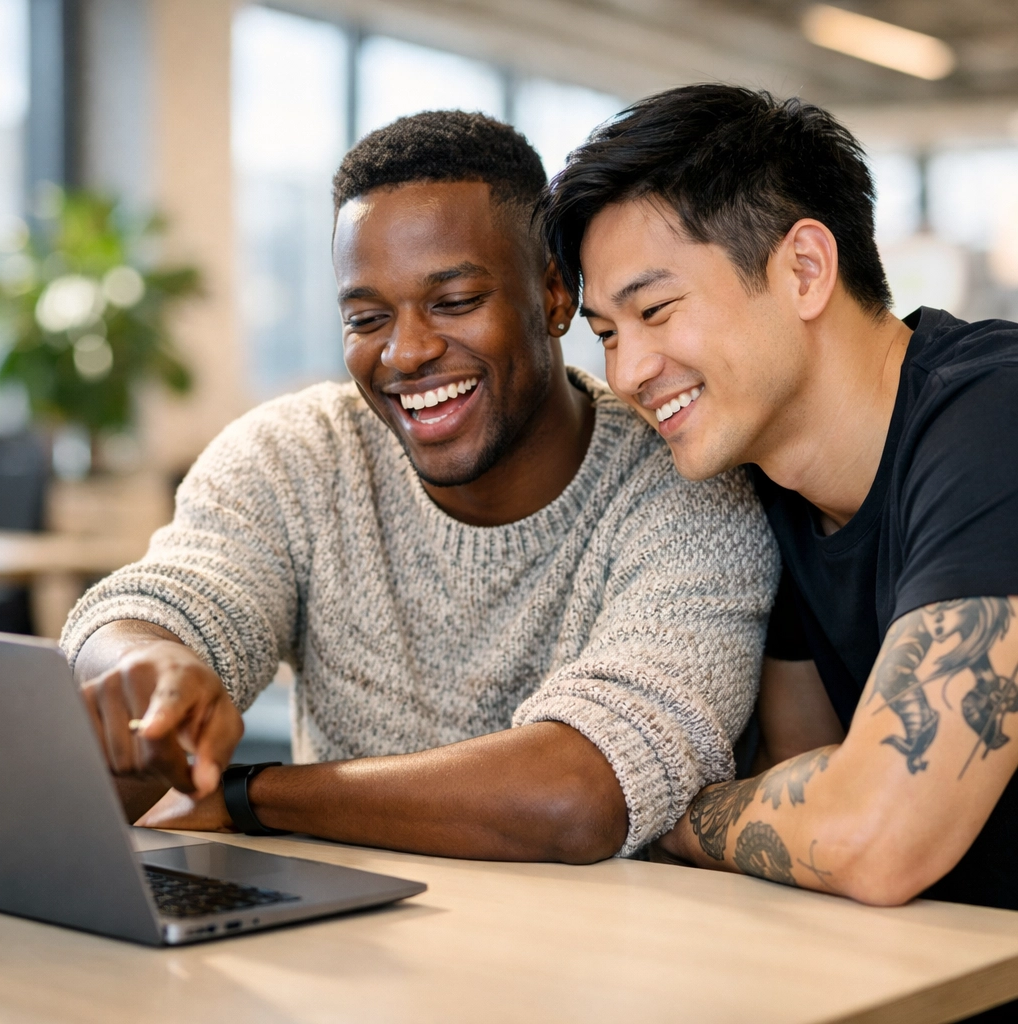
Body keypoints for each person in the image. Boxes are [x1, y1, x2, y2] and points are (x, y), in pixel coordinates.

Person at [62, 111, 778, 863]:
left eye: (456, 302)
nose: (406, 353)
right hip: (343, 948)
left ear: (555, 296)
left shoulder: (686, 486)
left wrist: (251, 797)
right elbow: (167, 602)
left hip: (592, 959)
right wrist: (147, 660)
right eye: (367, 317)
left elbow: (579, 793)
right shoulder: (293, 454)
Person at [541, 85, 1018, 913]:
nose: (626, 375)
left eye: (656, 310)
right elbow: (803, 784)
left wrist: (667, 814)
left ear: (804, 269)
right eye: (610, 334)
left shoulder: (994, 415)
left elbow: (870, 835)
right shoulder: (774, 485)